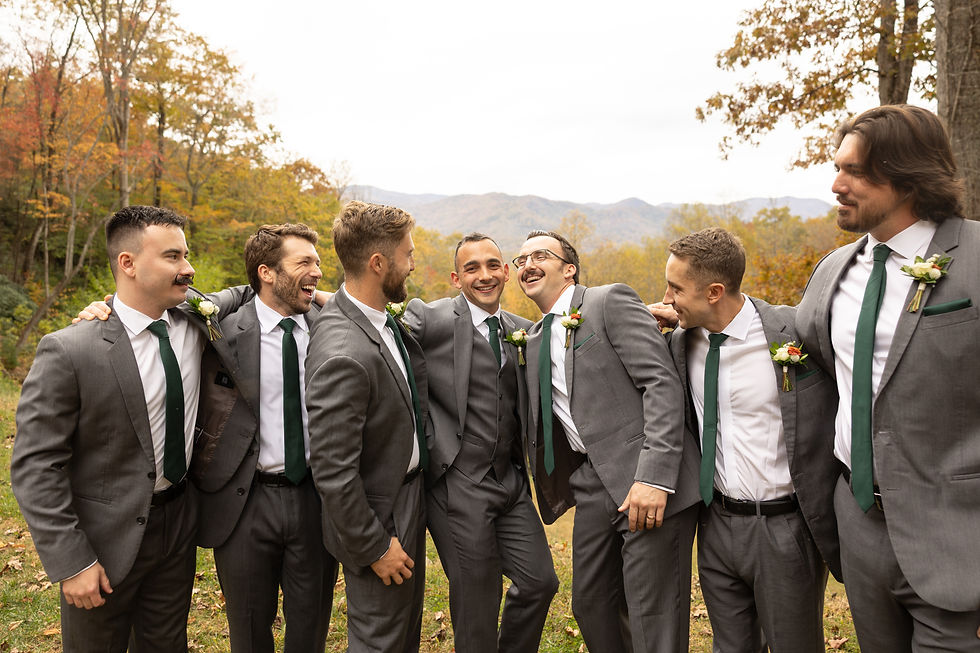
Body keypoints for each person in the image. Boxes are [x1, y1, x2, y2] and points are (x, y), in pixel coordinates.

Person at [11, 205, 237, 652]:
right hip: (103, 537)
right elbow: (36, 467)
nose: (188, 268)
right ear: (127, 264)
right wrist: (72, 562)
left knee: (166, 643)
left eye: (186, 255)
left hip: (178, 526)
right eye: (172, 257)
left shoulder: (195, 319)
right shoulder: (69, 350)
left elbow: (247, 293)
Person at [796, 104, 980, 651]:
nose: (836, 184)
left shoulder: (975, 257)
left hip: (960, 539)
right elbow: (807, 356)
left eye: (854, 171)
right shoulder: (833, 272)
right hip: (859, 528)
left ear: (908, 175)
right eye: (837, 168)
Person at [653, 227, 840, 653]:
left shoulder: (795, 331)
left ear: (715, 291)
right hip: (715, 525)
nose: (666, 297)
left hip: (785, 529)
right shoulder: (680, 342)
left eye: (676, 288)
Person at [516, 230, 699, 653]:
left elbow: (660, 383)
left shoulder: (607, 301)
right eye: (520, 259)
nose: (527, 264)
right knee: (591, 603)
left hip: (647, 478)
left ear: (569, 269)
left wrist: (654, 478)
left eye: (540, 255)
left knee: (653, 615)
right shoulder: (532, 338)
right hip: (591, 484)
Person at [402, 233, 558, 653]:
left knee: (540, 581)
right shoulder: (430, 319)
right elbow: (368, 315)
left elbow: (572, 334)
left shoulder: (523, 331)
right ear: (456, 278)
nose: (484, 275)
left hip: (510, 482)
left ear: (506, 271)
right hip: (458, 481)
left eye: (493, 265)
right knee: (477, 600)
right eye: (472, 268)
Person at [191, 224, 338, 652]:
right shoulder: (220, 332)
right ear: (267, 272)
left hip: (315, 498)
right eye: (305, 263)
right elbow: (165, 305)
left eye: (318, 262)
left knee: (310, 628)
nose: (317, 271)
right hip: (244, 502)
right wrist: (103, 305)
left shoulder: (331, 326)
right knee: (250, 630)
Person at [305, 200, 429, 653]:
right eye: (408, 254)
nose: (413, 263)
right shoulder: (344, 351)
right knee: (382, 640)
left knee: (402, 634)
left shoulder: (370, 317)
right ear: (378, 263)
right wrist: (376, 546)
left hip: (407, 496)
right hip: (380, 517)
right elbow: (333, 470)